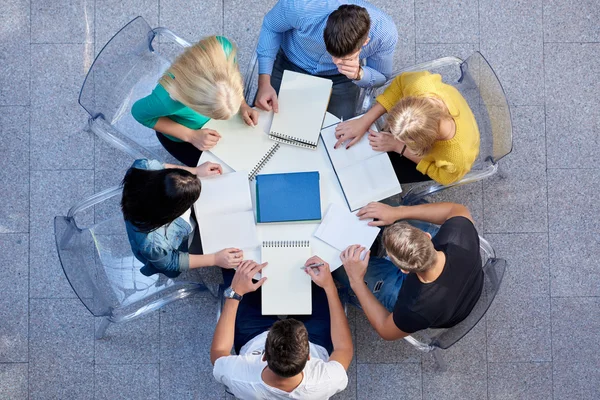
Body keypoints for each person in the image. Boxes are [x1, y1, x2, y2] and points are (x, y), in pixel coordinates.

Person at [336, 201, 483, 341]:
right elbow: (456, 210)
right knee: (382, 207)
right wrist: (396, 212)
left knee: (339, 266)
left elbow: (386, 330)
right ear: (427, 236)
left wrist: (356, 281)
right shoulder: (460, 234)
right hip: (470, 281)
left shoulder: (414, 307)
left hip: (442, 310)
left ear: (403, 270)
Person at [211, 258, 353, 399]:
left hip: (253, 335)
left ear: (264, 356)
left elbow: (218, 352)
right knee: (319, 269)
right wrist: (330, 287)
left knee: (238, 268)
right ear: (308, 357)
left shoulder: (238, 376)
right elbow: (343, 348)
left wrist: (235, 292)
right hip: (316, 339)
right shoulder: (328, 379)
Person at [255, 1, 398, 120]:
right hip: (290, 60)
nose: (336, 62)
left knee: (338, 133)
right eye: (332, 53)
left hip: (341, 79)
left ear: (365, 42)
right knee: (262, 116)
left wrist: (359, 74)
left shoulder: (384, 34)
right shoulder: (300, 6)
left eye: (344, 58)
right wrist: (264, 83)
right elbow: (271, 27)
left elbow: (382, 76)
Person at [131, 36, 258, 167]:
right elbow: (138, 114)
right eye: (212, 113)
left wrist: (241, 103)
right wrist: (191, 136)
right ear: (194, 102)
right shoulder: (166, 100)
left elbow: (231, 75)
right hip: (184, 138)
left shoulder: (222, 49)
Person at [334, 71, 480, 185]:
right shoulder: (421, 86)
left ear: (423, 144)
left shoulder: (457, 158)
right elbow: (400, 84)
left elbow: (445, 177)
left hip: (435, 161)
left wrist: (399, 147)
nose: (389, 133)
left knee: (373, 172)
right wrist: (365, 120)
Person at [121, 159, 244, 278]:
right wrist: (214, 259)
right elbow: (170, 262)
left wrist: (195, 171)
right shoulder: (154, 245)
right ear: (175, 212)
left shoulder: (144, 167)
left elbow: (163, 168)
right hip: (171, 247)